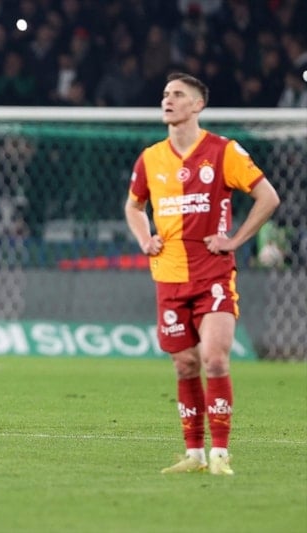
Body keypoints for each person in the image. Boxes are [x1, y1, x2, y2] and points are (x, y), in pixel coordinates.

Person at [124, 72, 280, 475]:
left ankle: (220, 454)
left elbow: (268, 197)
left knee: (214, 359)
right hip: (169, 276)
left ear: (198, 105)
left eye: (178, 94)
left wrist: (236, 239)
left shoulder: (223, 151)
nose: (168, 100)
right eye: (165, 94)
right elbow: (134, 206)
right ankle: (193, 454)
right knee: (184, 365)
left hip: (213, 274)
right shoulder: (150, 158)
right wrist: (145, 238)